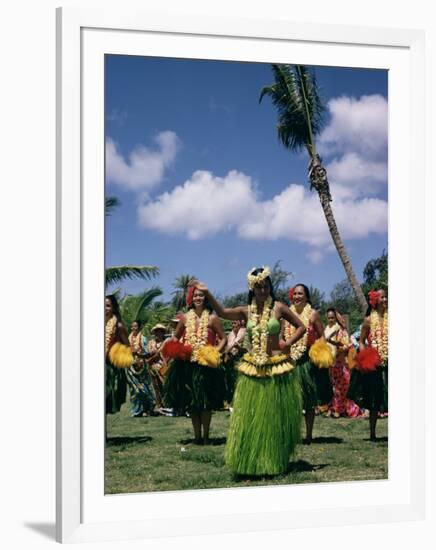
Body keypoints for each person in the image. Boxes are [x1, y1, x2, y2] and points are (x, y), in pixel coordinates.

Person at [192, 267, 306, 476]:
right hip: (253, 367)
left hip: (276, 366)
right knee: (254, 417)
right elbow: (224, 313)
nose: (262, 290)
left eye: (266, 286)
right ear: (252, 289)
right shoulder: (246, 310)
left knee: (274, 416)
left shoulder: (279, 308)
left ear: (270, 286)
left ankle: (275, 458)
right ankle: (255, 460)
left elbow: (301, 327)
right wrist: (208, 294)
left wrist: (287, 343)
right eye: (258, 287)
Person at [163, 287, 227, 444]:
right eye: (196, 295)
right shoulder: (185, 318)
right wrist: (176, 350)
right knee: (193, 403)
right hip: (188, 365)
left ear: (206, 299)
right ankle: (197, 436)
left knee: (205, 403)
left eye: (201, 295)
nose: (198, 298)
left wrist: (214, 352)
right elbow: (176, 338)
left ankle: (206, 437)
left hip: (207, 366)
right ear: (191, 299)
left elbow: (224, 339)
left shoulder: (212, 319)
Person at [282, 284, 332, 443]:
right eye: (295, 294)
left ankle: (309, 435)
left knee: (309, 400)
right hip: (290, 361)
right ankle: (293, 434)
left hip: (307, 362)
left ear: (307, 297)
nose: (297, 296)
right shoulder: (286, 315)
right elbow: (282, 337)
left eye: (300, 294)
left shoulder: (313, 315)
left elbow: (322, 336)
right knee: (292, 401)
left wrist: (317, 351)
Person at [358, 289, 388, 441]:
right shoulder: (369, 320)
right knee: (375, 400)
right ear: (375, 300)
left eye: (386, 297)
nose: (385, 299)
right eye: (382, 297)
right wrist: (365, 357)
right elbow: (361, 341)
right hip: (375, 365)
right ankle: (373, 433)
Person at [324, 309, 361, 418]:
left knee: (342, 388)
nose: (330, 319)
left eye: (332, 318)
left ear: (336, 318)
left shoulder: (341, 330)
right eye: (329, 317)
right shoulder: (327, 329)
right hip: (331, 363)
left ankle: (341, 410)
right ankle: (336, 408)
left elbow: (346, 345)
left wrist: (332, 343)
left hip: (341, 364)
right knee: (335, 388)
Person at [105, 295, 130, 414]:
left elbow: (127, 346)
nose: (105, 308)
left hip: (109, 368)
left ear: (114, 308)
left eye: (108, 306)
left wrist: (117, 354)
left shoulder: (118, 326)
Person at [126, 320, 156, 417]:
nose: (133, 328)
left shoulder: (143, 339)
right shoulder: (127, 339)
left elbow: (148, 354)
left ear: (139, 327)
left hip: (142, 368)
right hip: (131, 367)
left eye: (135, 326)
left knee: (144, 389)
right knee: (134, 390)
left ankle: (146, 409)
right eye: (132, 327)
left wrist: (138, 354)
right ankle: (136, 411)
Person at [223, 320, 247, 405]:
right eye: (232, 323)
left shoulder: (243, 332)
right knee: (231, 380)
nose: (233, 325)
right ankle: (231, 400)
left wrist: (226, 353)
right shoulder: (230, 334)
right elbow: (228, 345)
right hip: (231, 359)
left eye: (235, 323)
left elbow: (236, 345)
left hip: (241, 359)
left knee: (239, 380)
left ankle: (239, 401)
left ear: (240, 324)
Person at [146, 324, 168, 411]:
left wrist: (152, 358)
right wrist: (150, 360)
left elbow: (161, 354)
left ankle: (166, 403)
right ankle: (159, 404)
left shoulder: (166, 342)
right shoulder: (151, 343)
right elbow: (148, 353)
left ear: (163, 333)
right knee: (155, 386)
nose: (158, 333)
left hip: (164, 367)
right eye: (156, 332)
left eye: (160, 331)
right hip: (152, 367)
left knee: (164, 385)